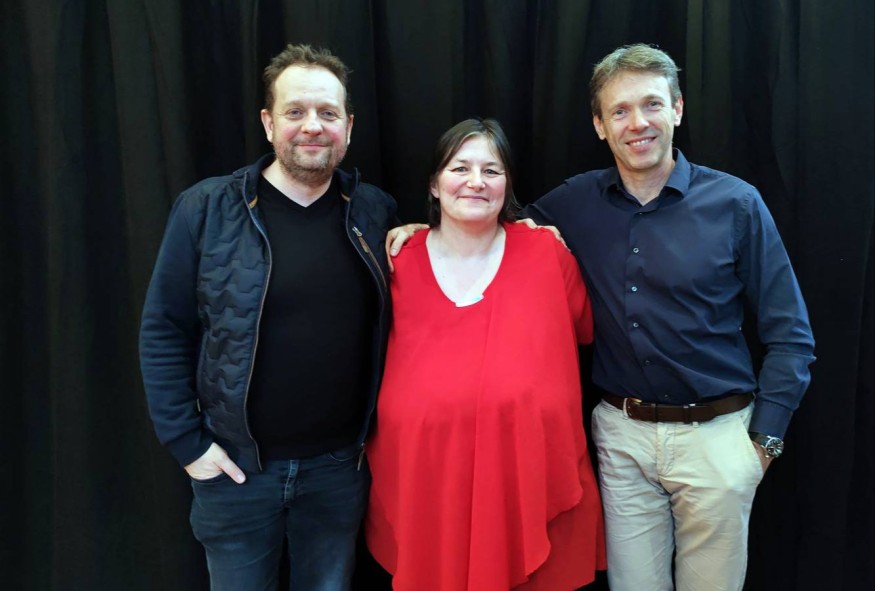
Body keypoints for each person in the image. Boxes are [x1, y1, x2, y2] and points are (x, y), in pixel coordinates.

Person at [387, 44, 815, 591]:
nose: (637, 123)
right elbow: (486, 221)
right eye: (619, 110)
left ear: (677, 108)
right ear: (599, 124)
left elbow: (791, 335)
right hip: (622, 440)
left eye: (651, 104)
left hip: (715, 439)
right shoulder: (573, 203)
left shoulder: (736, 204)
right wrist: (424, 231)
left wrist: (763, 444)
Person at [139, 43, 397, 591]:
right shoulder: (206, 208)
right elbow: (164, 329)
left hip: (339, 471)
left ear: (349, 127)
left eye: (328, 113)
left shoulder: (375, 212)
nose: (313, 126)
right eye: (295, 111)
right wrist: (188, 445)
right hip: (236, 472)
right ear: (268, 122)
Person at [366, 118, 606, 591]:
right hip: (426, 489)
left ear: (507, 185)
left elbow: (585, 330)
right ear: (434, 184)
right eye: (460, 168)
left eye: (491, 171)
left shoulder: (547, 253)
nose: (476, 181)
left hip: (528, 481)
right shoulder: (397, 260)